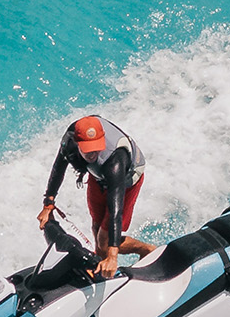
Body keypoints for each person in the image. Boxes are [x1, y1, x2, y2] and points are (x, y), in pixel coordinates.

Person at [36, 115, 156, 278]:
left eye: (96, 147)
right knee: (96, 227)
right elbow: (59, 168)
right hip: (99, 176)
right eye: (88, 149)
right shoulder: (70, 140)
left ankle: (146, 250)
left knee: (103, 240)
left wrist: (113, 257)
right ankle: (100, 264)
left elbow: (116, 211)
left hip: (126, 179)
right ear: (77, 143)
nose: (93, 154)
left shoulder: (114, 160)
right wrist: (48, 205)